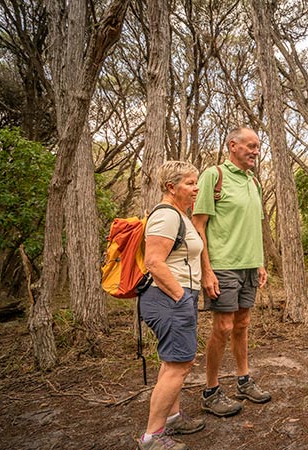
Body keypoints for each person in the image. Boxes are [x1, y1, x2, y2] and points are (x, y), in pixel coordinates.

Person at [192, 127, 271, 418]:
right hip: (222, 265)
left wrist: (260, 262)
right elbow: (198, 227)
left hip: (250, 265)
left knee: (242, 324)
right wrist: (206, 271)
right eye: (250, 145)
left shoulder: (254, 181)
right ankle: (210, 391)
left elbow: (255, 225)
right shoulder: (214, 176)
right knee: (222, 327)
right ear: (232, 145)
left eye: (258, 146)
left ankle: (243, 380)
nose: (255, 151)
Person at [137, 161, 205, 450]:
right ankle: (152, 437)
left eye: (196, 182)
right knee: (179, 364)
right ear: (171, 187)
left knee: (174, 362)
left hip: (175, 296)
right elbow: (154, 262)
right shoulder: (166, 217)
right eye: (190, 183)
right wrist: (180, 297)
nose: (196, 188)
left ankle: (173, 417)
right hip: (168, 297)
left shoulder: (179, 214)